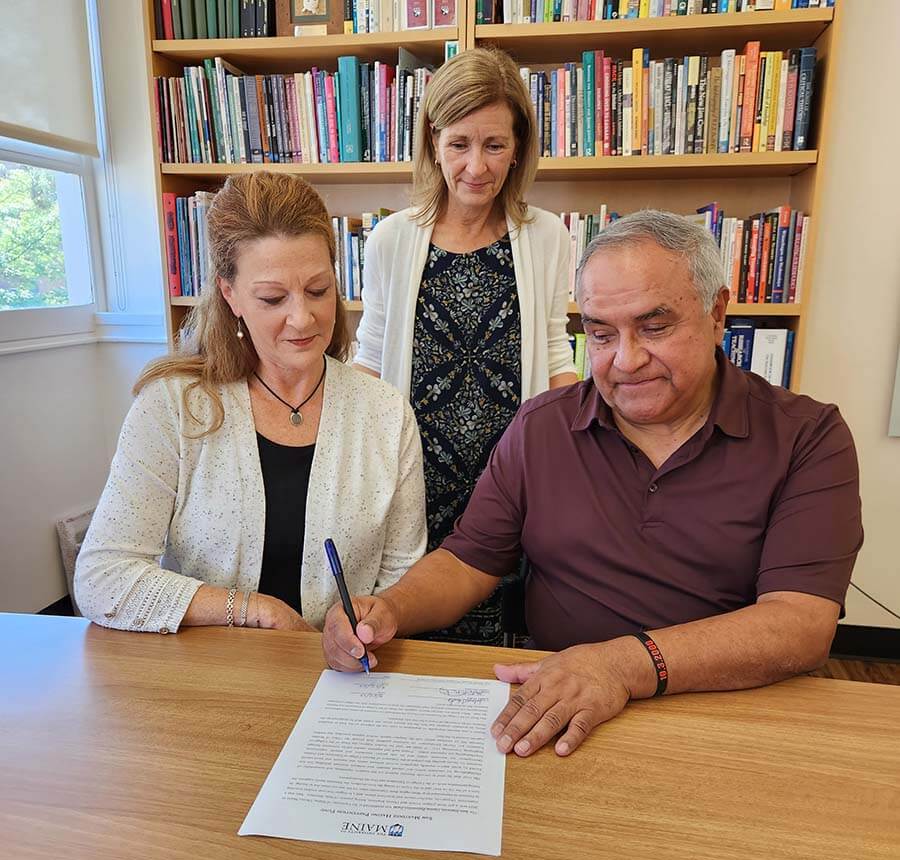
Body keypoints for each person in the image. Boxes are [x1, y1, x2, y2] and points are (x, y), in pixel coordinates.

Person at [323, 209, 863, 757]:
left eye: (654, 327)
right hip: (557, 708)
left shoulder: (807, 437)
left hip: (729, 716)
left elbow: (800, 624)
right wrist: (389, 609)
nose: (626, 360)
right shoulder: (542, 427)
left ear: (717, 313)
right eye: (602, 335)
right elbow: (468, 561)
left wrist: (621, 665)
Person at [75, 171, 426, 634]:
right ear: (230, 294)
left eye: (318, 290)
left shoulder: (386, 414)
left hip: (341, 672)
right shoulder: (175, 407)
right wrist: (254, 610)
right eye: (273, 298)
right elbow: (101, 577)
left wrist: (371, 621)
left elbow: (402, 580)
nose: (302, 318)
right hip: (212, 669)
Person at [354, 47, 578, 646]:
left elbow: (557, 355)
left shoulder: (547, 236)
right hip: (416, 477)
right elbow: (369, 359)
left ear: (519, 147)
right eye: (459, 144)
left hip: (511, 480)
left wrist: (579, 460)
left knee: (509, 646)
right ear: (433, 143)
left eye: (495, 145)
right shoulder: (391, 239)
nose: (476, 166)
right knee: (410, 628)